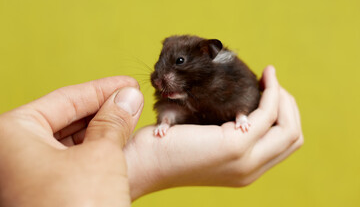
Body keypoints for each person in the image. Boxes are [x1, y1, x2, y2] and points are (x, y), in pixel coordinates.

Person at [0, 66, 303, 206]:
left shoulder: (227, 78)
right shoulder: (179, 96)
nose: (158, 76)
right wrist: (145, 163)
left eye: (177, 64)